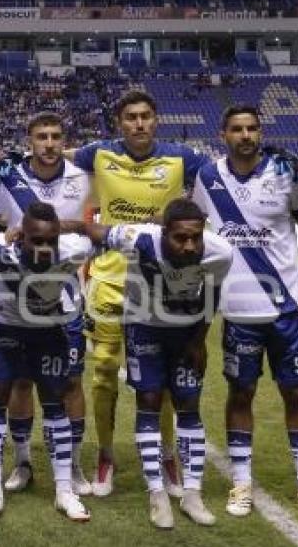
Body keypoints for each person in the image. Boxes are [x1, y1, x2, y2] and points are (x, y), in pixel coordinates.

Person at [191, 105, 298, 520]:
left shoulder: (286, 170)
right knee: (241, 393)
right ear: (223, 134)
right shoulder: (207, 178)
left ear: (261, 131)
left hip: (287, 309)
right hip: (237, 310)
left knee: (296, 392)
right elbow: (193, 233)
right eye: (237, 129)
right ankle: (241, 482)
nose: (245, 135)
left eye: (252, 128)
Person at [65, 89, 210, 497]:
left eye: (146, 116)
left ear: (156, 119)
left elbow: (223, 181)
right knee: (105, 371)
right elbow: (52, 153)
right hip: (110, 277)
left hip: (160, 281)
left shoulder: (183, 158)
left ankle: (166, 455)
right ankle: (106, 454)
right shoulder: (99, 154)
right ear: (119, 123)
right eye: (131, 117)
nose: (139, 123)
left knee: (160, 377)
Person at [83, 199, 233, 528]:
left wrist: (198, 341)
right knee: (149, 400)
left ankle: (192, 495)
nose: (189, 245)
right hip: (144, 325)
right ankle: (157, 495)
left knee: (188, 404)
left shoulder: (220, 252)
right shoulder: (138, 238)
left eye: (196, 237)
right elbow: (91, 229)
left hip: (185, 330)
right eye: (180, 238)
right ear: (164, 232)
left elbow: (213, 294)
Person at [0, 112, 92, 495]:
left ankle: (74, 465)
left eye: (56, 136)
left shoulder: (83, 175)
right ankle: (23, 461)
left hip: (65, 299)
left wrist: (69, 228)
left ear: (66, 140)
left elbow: (92, 227)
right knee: (20, 382)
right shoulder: (9, 177)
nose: (49, 143)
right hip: (17, 298)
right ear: (29, 140)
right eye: (41, 136)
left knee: (72, 382)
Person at [0, 201, 91, 525]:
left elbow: (90, 234)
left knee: (56, 404)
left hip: (47, 333)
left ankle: (64, 489)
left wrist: (66, 227)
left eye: (49, 241)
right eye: (34, 241)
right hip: (5, 331)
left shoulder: (73, 251)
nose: (43, 249)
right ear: (19, 238)